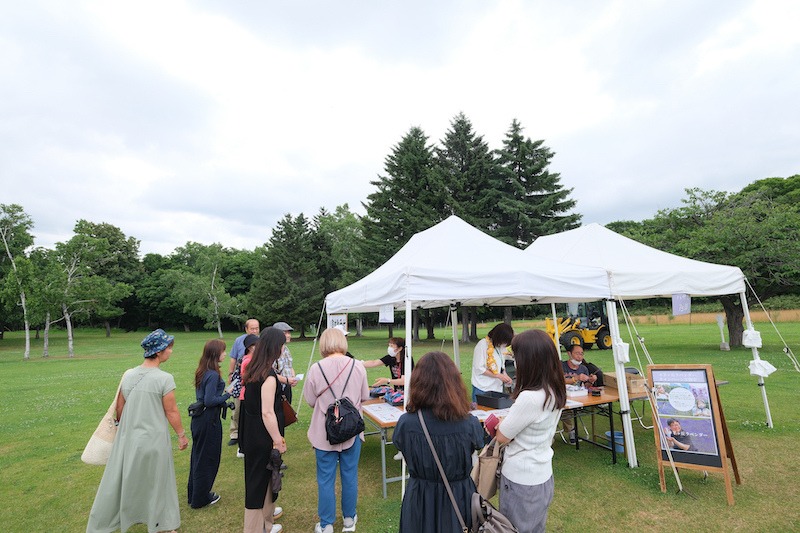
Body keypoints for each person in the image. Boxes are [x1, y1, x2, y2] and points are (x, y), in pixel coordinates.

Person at [87, 329, 189, 533]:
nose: (171, 351)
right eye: (169, 347)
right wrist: (181, 435)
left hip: (128, 440)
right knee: (158, 483)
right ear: (159, 352)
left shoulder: (129, 375)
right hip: (154, 440)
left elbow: (120, 408)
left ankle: (119, 520)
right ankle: (163, 526)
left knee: (128, 482)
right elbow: (171, 411)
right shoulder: (165, 378)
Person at [393, 351, 484, 533]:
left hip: (420, 498)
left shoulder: (407, 423)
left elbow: (404, 453)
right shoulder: (469, 424)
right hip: (458, 497)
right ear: (454, 383)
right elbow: (476, 450)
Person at [495, 329, 566, 533]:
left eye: (516, 356)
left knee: (514, 528)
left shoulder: (530, 398)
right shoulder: (555, 390)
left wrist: (502, 423)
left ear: (529, 360)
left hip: (521, 479)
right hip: (542, 474)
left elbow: (502, 436)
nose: (514, 360)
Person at [304, 327, 370, 533]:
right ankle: (349, 519)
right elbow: (365, 396)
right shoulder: (357, 366)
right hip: (351, 430)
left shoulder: (316, 368)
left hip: (325, 432)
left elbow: (310, 400)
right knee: (349, 475)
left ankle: (326, 524)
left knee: (325, 479)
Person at [241, 327, 287, 533]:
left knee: (268, 479)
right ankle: (254, 529)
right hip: (262, 436)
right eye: (283, 344)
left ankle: (266, 524)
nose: (284, 348)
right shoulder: (267, 375)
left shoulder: (254, 368)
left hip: (252, 433)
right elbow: (267, 412)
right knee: (257, 483)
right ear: (275, 347)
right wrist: (278, 440)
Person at [187, 339, 231, 508]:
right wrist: (228, 394)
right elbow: (210, 400)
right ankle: (201, 498)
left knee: (198, 458)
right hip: (208, 421)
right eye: (223, 351)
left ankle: (195, 494)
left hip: (200, 420)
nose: (225, 354)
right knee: (208, 459)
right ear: (215, 354)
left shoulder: (203, 370)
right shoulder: (212, 374)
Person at [228, 319, 260, 447]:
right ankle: (234, 433)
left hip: (254, 379)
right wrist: (230, 375)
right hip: (240, 377)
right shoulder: (239, 341)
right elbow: (233, 359)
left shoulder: (261, 341)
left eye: (257, 328)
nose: (255, 331)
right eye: (252, 328)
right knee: (237, 408)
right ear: (246, 329)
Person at [471, 323, 514, 406]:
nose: (504, 344)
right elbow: (479, 368)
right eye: (504, 341)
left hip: (496, 388)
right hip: (482, 388)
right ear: (499, 337)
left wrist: (506, 376)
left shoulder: (500, 346)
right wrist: (498, 376)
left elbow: (501, 365)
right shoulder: (482, 345)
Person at [560, 344, 596, 443]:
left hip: (578, 397)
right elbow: (558, 380)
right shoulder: (561, 366)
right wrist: (574, 378)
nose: (579, 357)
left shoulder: (583, 369)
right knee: (565, 409)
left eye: (581, 354)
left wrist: (591, 380)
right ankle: (571, 430)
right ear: (569, 354)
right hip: (563, 396)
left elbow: (586, 386)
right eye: (577, 354)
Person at [272, 322, 299, 405]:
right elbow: (269, 373)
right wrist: (286, 380)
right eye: (285, 333)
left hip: (287, 386)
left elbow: (290, 366)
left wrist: (294, 378)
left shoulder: (286, 349)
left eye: (289, 333)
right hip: (275, 387)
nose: (288, 335)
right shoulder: (272, 350)